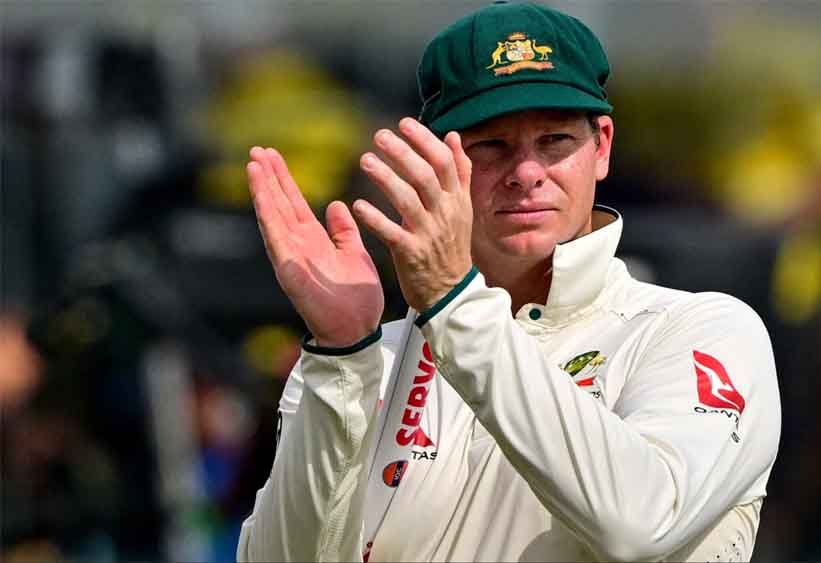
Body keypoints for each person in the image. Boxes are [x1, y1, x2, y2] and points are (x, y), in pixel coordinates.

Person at [237, 2, 780, 561]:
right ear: (435, 165)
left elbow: (641, 525)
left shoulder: (702, 330)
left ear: (602, 146)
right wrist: (343, 353)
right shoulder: (370, 359)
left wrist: (454, 304)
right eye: (490, 145)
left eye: (554, 140)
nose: (526, 172)